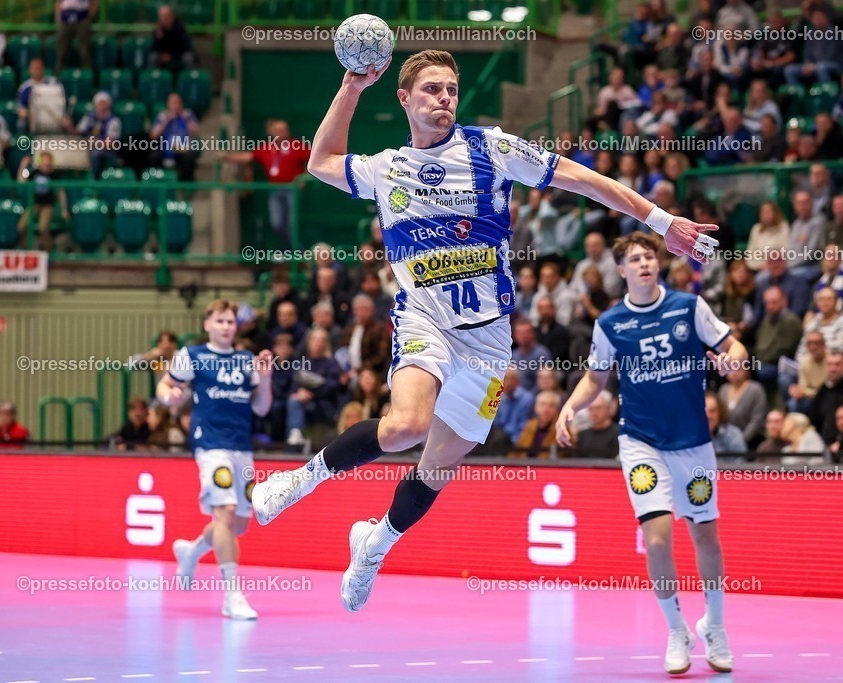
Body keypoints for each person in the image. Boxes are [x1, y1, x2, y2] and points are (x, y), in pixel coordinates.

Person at [250, 50, 719, 615]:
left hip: (488, 338)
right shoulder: (385, 167)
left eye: (450, 89)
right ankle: (299, 482)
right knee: (405, 426)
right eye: (431, 90)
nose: (444, 98)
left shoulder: (490, 149)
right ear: (405, 99)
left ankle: (374, 546)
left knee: (438, 467)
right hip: (425, 321)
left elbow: (582, 180)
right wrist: (352, 86)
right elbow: (321, 159)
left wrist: (662, 223)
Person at [556, 232, 746, 674]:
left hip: (693, 441)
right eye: (635, 259)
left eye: (649, 257)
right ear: (621, 270)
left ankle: (714, 626)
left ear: (658, 265)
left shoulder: (689, 307)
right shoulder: (610, 324)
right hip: (640, 441)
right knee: (658, 540)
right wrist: (570, 406)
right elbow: (595, 379)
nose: (644, 264)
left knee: (705, 537)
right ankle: (676, 629)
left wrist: (734, 359)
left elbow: (732, 346)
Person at [159, 299, 273, 620]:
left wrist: (265, 378)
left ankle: (191, 551)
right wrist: (169, 396)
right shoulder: (192, 356)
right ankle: (232, 596)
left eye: (230, 321)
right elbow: (165, 385)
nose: (226, 326)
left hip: (242, 446)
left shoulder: (246, 360)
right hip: (210, 445)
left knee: (238, 523)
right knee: (224, 512)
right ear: (207, 324)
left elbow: (261, 408)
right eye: (220, 321)